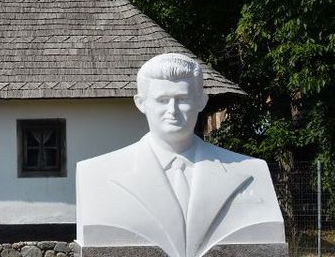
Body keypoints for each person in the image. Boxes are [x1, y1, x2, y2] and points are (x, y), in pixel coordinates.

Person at [75, 53, 285, 257]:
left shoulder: (251, 171)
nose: (172, 110)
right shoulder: (95, 173)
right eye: (162, 100)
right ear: (141, 103)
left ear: (201, 101)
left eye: (182, 98)